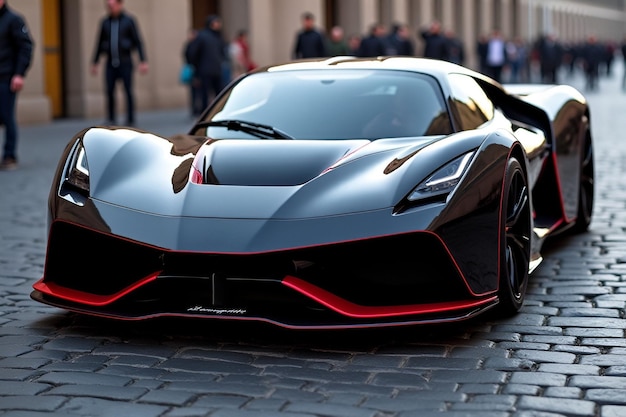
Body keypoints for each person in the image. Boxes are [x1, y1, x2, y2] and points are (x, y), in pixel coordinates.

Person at [91, 0, 148, 127]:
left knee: (128, 90)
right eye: (108, 6)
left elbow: (138, 41)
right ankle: (111, 118)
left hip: (125, 62)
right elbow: (99, 43)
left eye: (113, 5)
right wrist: (95, 62)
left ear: (120, 4)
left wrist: (143, 60)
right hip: (110, 63)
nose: (111, 8)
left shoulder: (129, 21)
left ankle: (130, 118)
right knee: (109, 91)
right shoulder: (105, 23)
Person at [0, 0, 33, 171]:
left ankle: (9, 156)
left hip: (7, 77)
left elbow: (26, 47)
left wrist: (19, 74)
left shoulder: (14, 20)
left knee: (6, 116)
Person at [187, 15, 228, 113]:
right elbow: (193, 53)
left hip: (215, 70)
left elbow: (222, 51)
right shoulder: (202, 36)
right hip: (205, 70)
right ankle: (205, 113)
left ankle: (217, 112)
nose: (219, 25)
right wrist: (196, 67)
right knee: (205, 94)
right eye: (216, 22)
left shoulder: (218, 36)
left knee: (218, 94)